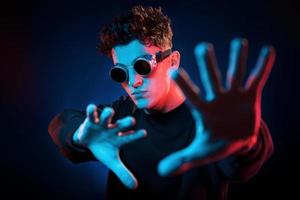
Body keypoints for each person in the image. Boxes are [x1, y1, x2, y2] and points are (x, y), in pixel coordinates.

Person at [48, 5, 275, 200]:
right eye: (121, 73)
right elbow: (63, 123)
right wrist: (79, 136)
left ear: (173, 61)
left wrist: (247, 143)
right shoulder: (119, 118)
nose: (133, 82)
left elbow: (241, 162)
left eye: (142, 66)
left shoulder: (209, 120)